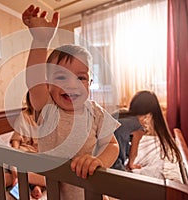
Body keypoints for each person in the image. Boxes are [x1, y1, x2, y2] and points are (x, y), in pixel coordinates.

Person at [22, 5, 120, 199]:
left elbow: (113, 145)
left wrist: (98, 161)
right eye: (61, 77)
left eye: (81, 78)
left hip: (93, 192)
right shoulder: (48, 108)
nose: (71, 85)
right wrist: (41, 40)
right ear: (48, 84)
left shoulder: (96, 112)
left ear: (89, 84)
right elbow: (34, 81)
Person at [0, 92, 46, 199]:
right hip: (24, 151)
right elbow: (16, 141)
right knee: (8, 162)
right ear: (29, 100)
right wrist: (15, 156)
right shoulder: (24, 116)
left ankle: (13, 179)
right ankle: (29, 181)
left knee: (54, 172)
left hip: (40, 156)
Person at [111, 90, 181, 174]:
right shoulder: (137, 126)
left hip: (101, 156)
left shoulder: (120, 113)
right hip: (114, 165)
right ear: (149, 112)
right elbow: (134, 150)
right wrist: (131, 164)